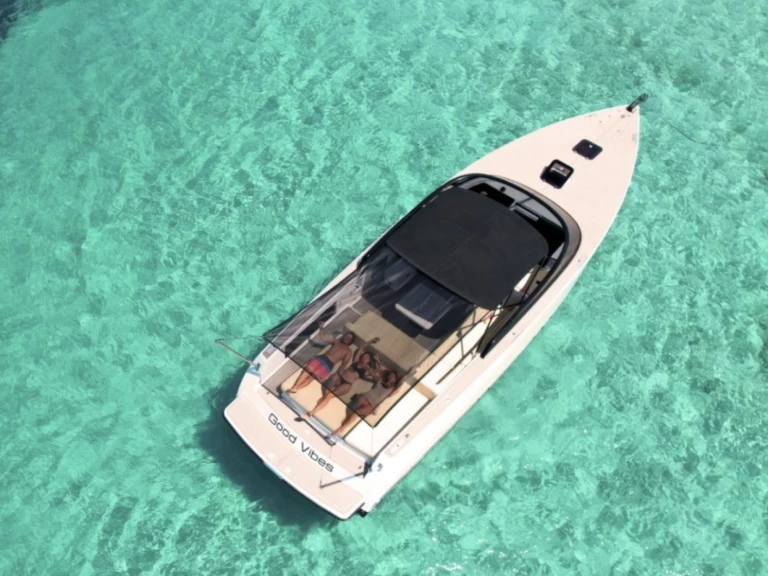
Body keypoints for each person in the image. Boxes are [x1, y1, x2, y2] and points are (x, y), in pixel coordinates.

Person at [295, 338, 380, 421]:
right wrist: (370, 342)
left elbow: (376, 376)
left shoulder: (367, 371)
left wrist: (377, 362)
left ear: (369, 360)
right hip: (339, 378)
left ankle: (310, 413)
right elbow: (361, 348)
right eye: (364, 356)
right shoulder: (356, 361)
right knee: (331, 381)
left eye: (367, 358)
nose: (365, 358)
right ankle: (322, 398)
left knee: (329, 396)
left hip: (346, 384)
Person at [330, 365, 416, 440]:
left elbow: (404, 378)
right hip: (365, 396)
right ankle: (344, 423)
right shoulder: (380, 381)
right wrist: (366, 367)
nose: (391, 377)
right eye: (390, 375)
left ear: (396, 378)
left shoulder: (393, 389)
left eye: (393, 376)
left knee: (356, 413)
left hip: (373, 404)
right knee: (357, 404)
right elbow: (372, 373)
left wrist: (413, 369)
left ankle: (342, 428)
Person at [285, 321, 354, 394]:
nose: (347, 338)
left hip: (329, 364)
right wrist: (321, 328)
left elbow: (343, 364)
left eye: (350, 338)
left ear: (351, 341)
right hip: (322, 357)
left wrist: (337, 374)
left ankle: (295, 388)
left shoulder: (348, 352)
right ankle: (294, 387)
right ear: (344, 336)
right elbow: (323, 338)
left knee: (312, 377)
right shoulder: (336, 341)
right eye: (347, 336)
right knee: (306, 371)